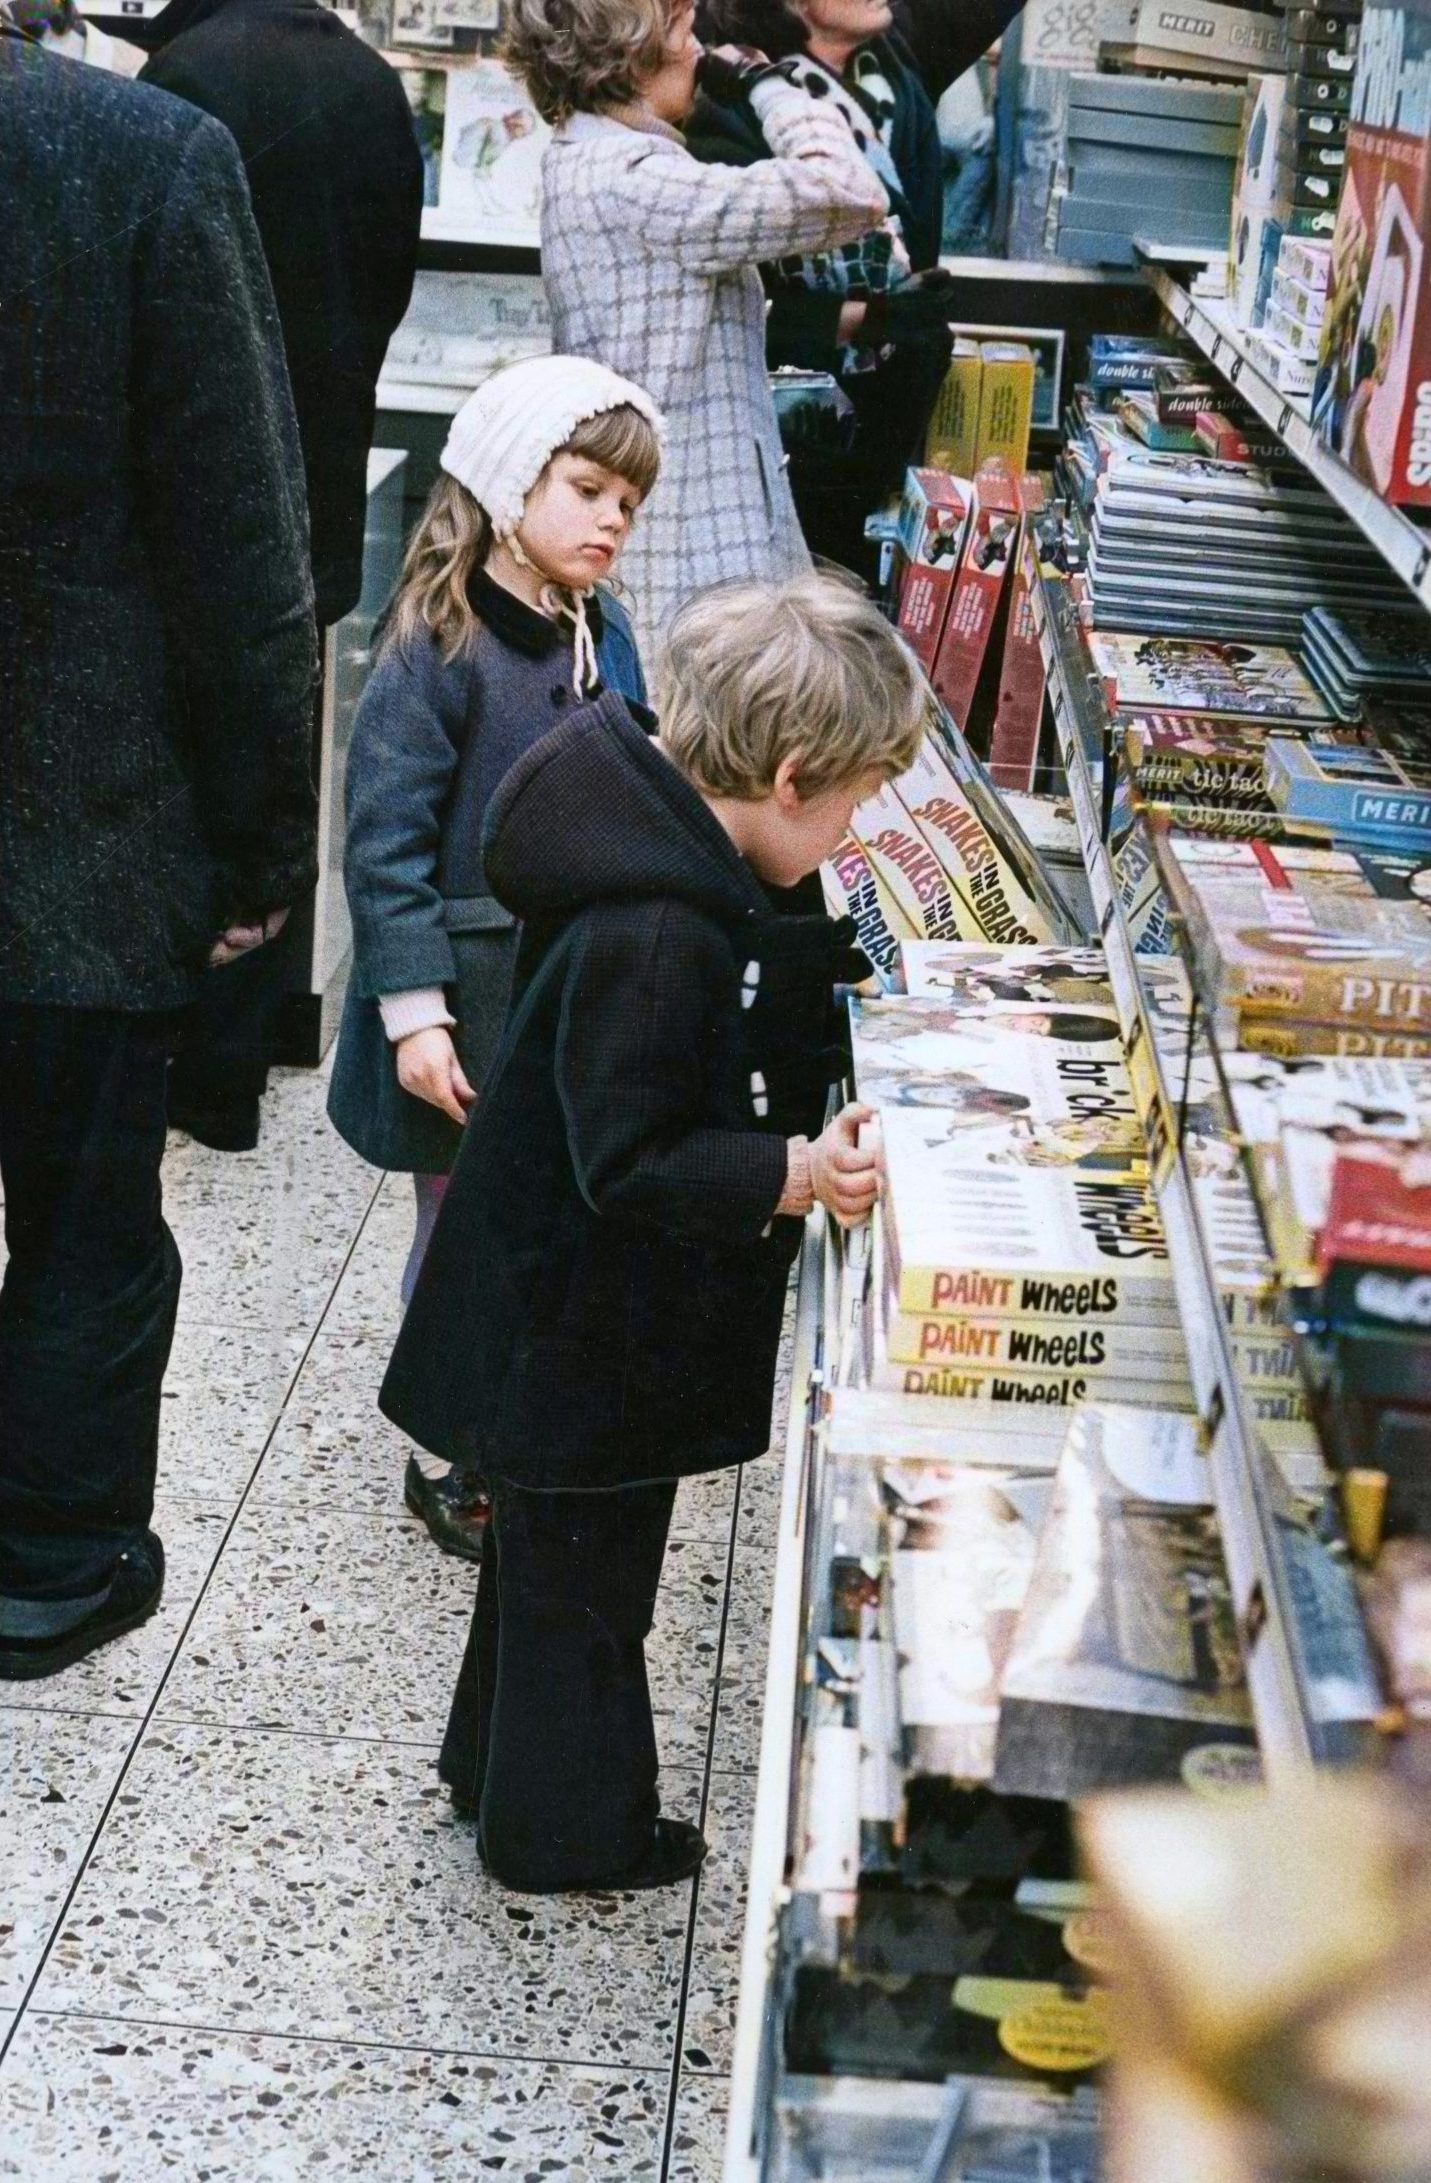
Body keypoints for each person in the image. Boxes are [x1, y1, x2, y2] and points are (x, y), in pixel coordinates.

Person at [379, 572, 926, 1892]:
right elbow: (627, 1154)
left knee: (539, 1568)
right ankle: (566, 1834)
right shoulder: (657, 925)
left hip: (544, 1308)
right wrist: (791, 1170)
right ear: (791, 776)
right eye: (853, 803)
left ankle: (489, 1769)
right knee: (587, 1595)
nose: (853, 830)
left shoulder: (652, 846)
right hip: (579, 1329)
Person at [0, 30, 317, 1677]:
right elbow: (243, 552)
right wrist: (266, 846)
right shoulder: (145, 158)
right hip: (81, 822)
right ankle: (48, 1559)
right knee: (80, 1216)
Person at [327, 354, 662, 1563]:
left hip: (574, 997)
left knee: (540, 1216)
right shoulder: (441, 645)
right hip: (467, 1012)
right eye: (587, 489)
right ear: (509, 482)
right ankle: (453, 1436)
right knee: (460, 1223)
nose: (613, 519)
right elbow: (385, 846)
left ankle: (514, 1412)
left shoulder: (606, 633)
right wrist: (414, 1014)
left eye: (629, 501)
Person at [140, 0, 424, 1153]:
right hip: (320, 465)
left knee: (170, 759)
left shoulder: (177, 73)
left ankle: (168, 1037)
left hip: (185, 476)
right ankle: (237, 1056)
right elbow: (392, 281)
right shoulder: (372, 85)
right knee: (282, 749)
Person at [503, 0, 889, 651]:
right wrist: (771, 85)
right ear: (631, 57)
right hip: (690, 561)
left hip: (661, 542)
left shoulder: (586, 161)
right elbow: (849, 189)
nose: (699, 52)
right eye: (685, 32)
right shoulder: (637, 182)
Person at [689, 0, 954, 581]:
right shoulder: (736, 104)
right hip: (786, 434)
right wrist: (864, 318)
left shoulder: (898, 83)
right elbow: (721, 305)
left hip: (892, 420)